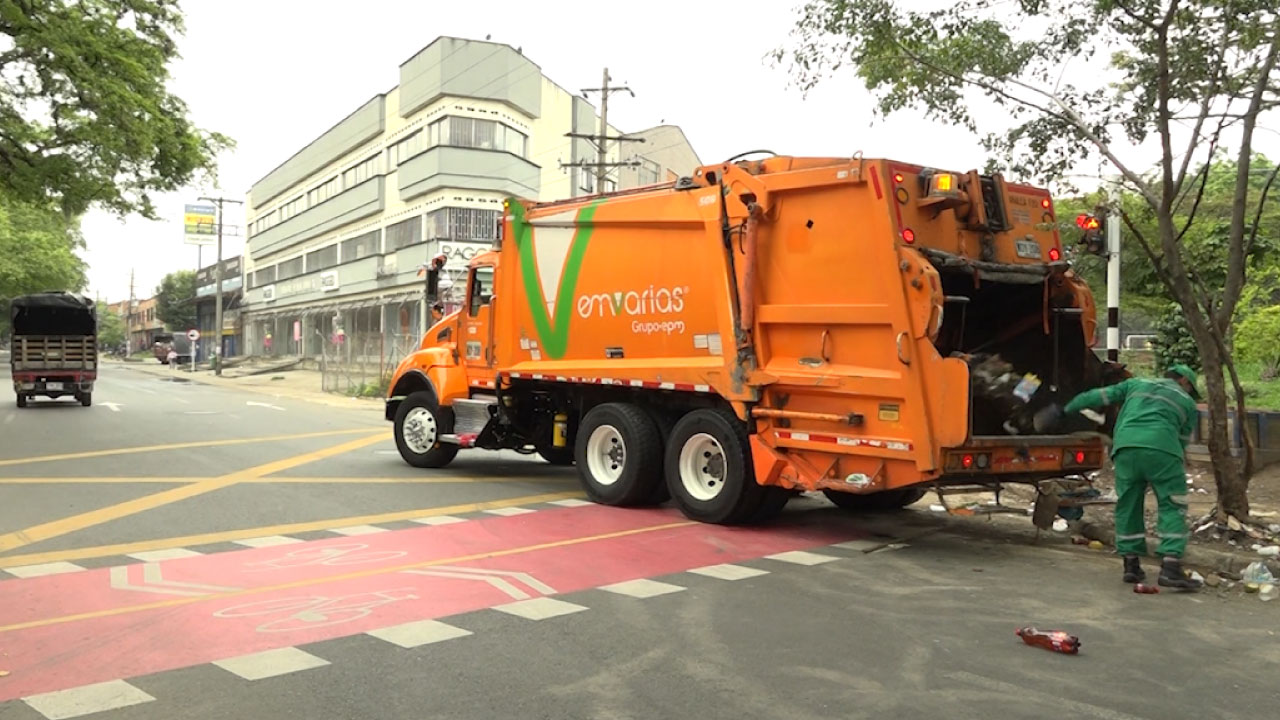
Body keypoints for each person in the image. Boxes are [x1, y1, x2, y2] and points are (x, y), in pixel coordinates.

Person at [1062, 363, 1202, 589]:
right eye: (1190, 389)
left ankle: (1131, 566)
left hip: (1125, 448)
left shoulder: (1137, 383)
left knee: (1128, 504)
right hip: (1163, 450)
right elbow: (1182, 440)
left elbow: (1097, 396)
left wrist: (1065, 409)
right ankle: (1170, 567)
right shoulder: (1187, 403)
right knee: (1172, 504)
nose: (1189, 394)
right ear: (1184, 382)